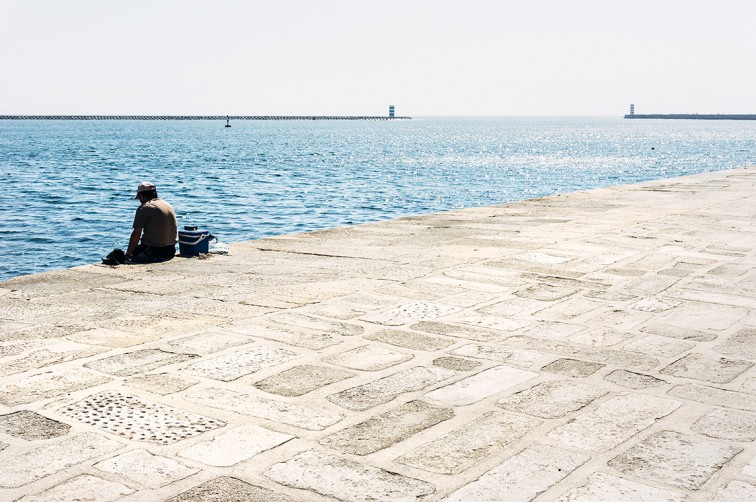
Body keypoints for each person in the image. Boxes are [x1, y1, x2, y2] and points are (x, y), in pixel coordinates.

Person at [126, 181, 178, 263]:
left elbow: (136, 234)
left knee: (133, 253)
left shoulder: (144, 208)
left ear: (141, 196)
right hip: (170, 251)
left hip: (154, 252)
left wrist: (128, 255)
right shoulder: (167, 204)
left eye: (139, 198)